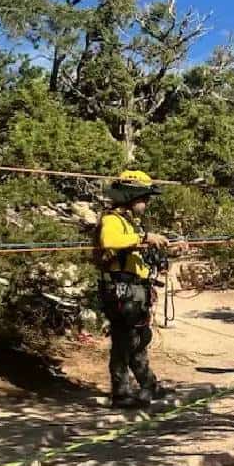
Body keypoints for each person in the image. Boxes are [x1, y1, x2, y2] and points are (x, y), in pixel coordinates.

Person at [94, 170, 177, 409]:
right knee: (124, 340)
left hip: (135, 288)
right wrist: (145, 236)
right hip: (121, 289)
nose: (147, 202)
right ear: (131, 196)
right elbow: (110, 241)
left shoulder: (130, 222)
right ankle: (121, 393)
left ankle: (148, 384)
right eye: (144, 197)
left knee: (139, 339)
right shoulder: (112, 220)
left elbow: (136, 249)